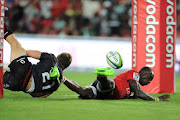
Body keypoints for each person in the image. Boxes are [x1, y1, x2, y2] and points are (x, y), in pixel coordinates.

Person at [3, 23, 72, 98]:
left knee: (14, 43)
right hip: (18, 85)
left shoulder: (52, 58)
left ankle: (1, 22)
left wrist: (19, 53)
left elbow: (28, 53)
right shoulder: (57, 84)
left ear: (58, 56)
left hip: (25, 70)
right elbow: (38, 95)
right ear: (66, 67)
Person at [62, 67, 170, 101]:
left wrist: (130, 97)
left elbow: (135, 93)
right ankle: (102, 76)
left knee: (83, 93)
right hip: (107, 88)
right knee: (111, 85)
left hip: (103, 95)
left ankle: (62, 78)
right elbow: (139, 92)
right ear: (142, 73)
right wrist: (157, 99)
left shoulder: (132, 88)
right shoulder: (134, 74)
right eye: (149, 78)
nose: (150, 81)